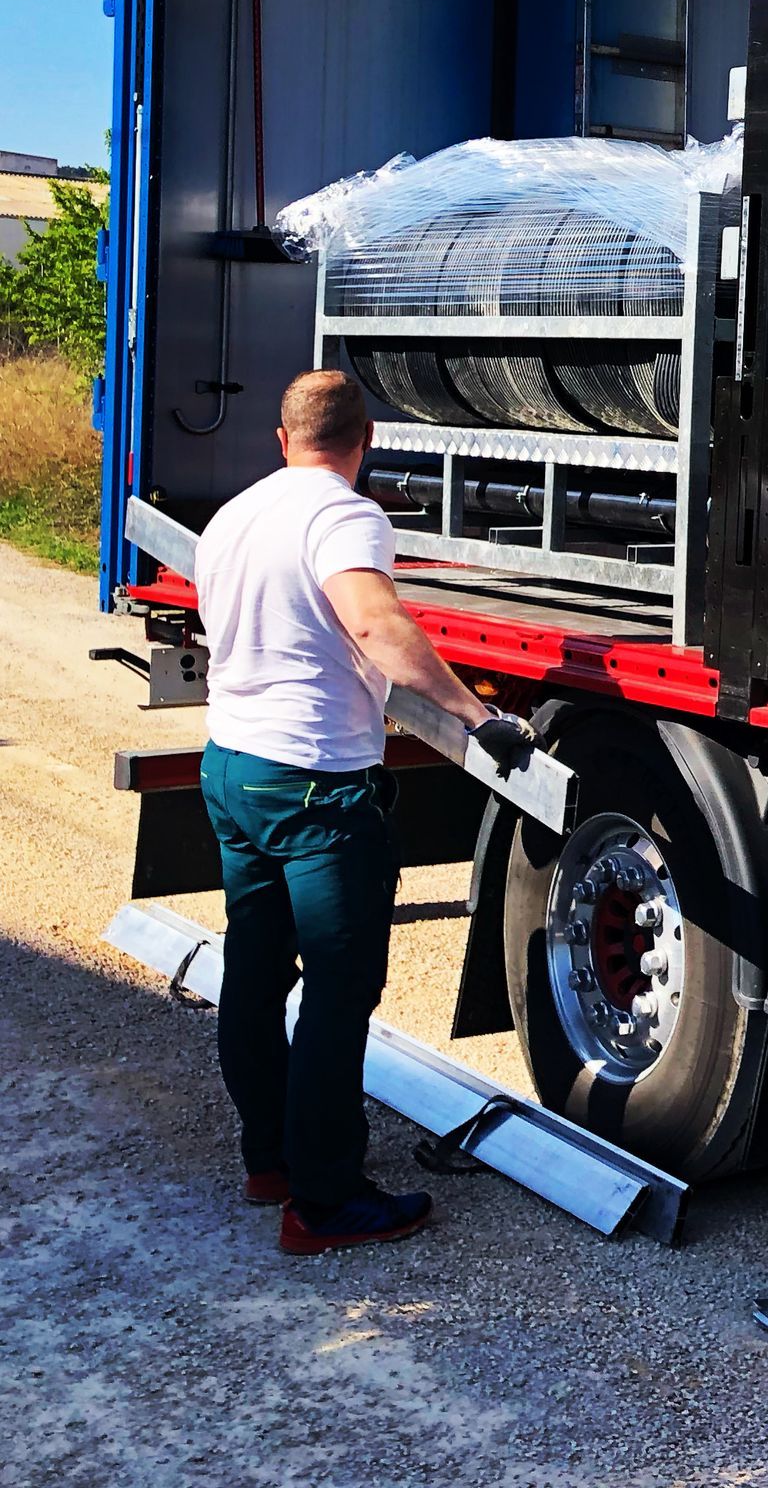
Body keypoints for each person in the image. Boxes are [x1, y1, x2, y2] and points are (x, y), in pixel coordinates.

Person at [196, 369, 535, 1255]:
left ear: (281, 437)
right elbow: (376, 626)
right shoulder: (344, 516)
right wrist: (477, 716)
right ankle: (326, 1201)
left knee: (258, 971)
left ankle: (268, 1158)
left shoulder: (235, 514)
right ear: (366, 440)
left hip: (233, 768)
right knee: (340, 995)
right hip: (314, 786)